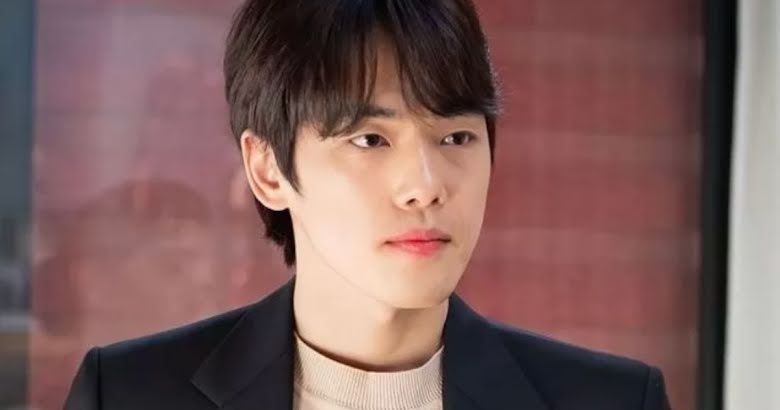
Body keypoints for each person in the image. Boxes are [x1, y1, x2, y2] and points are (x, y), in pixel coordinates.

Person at [64, 0, 672, 409]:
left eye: (456, 137)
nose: (425, 186)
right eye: (370, 140)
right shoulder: (128, 395)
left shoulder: (612, 400)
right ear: (268, 168)